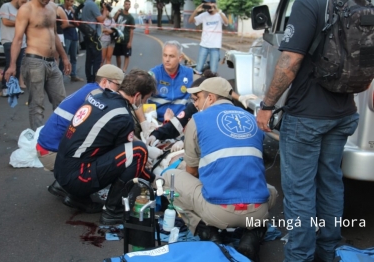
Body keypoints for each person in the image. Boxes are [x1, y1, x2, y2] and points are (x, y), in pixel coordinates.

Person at [256, 1, 359, 261]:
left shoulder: (308, 3)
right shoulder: (359, 3)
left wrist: (267, 105)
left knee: (300, 192)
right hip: (344, 111)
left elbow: (290, 60)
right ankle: (328, 252)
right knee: (330, 185)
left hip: (306, 117)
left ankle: (299, 256)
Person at [159, 77, 277, 261]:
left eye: (197, 98)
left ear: (211, 98)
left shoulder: (197, 120)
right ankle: (252, 235)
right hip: (257, 210)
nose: (196, 104)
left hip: (219, 212)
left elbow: (192, 172)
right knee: (272, 191)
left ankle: (207, 233)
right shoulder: (252, 119)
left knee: (169, 178)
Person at [54, 69, 157, 224]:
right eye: (144, 100)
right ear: (137, 96)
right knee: (138, 151)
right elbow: (125, 159)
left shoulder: (98, 96)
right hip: (76, 178)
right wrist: (153, 178)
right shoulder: (123, 116)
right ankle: (112, 211)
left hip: (61, 169)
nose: (142, 104)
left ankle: (77, 197)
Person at [37, 64, 124, 175]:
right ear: (105, 82)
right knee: (106, 152)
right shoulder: (96, 95)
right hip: (51, 152)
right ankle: (68, 182)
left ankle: (66, 179)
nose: (119, 90)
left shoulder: (90, 88)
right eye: (118, 86)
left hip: (46, 149)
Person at [4, 0, 71, 131]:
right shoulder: (26, 9)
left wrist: (64, 57)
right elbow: (17, 39)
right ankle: (37, 141)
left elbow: (54, 34)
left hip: (52, 62)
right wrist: (12, 65)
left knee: (62, 102)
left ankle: (60, 137)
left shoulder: (52, 7)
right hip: (34, 62)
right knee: (37, 105)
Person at [146, 40, 194, 124]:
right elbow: (145, 100)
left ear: (180, 58)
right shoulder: (153, 74)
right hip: (158, 122)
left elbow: (194, 100)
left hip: (182, 122)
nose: (167, 59)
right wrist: (152, 121)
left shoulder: (189, 74)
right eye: (165, 55)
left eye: (171, 56)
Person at [188, 0, 228, 74]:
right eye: (206, 4)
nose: (207, 6)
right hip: (204, 45)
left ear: (214, 4)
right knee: (198, 69)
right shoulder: (204, 15)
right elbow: (190, 21)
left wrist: (218, 10)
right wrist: (196, 11)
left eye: (209, 4)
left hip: (215, 46)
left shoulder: (220, 14)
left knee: (213, 71)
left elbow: (226, 22)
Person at [0, 0, 28, 97]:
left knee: (18, 66)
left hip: (21, 42)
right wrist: (21, 22)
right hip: (8, 40)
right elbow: (5, 21)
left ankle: (14, 87)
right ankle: (5, 87)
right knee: (9, 64)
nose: (25, 2)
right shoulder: (6, 6)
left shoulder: (22, 9)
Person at [81, 0, 109, 83]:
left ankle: (89, 79)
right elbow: (101, 19)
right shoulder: (92, 4)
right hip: (92, 35)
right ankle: (95, 79)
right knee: (97, 59)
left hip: (86, 34)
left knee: (89, 58)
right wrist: (104, 9)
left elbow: (93, 17)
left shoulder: (86, 3)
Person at [61, 0, 83, 82]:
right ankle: (61, 76)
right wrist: (72, 25)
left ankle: (73, 75)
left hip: (74, 36)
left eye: (73, 2)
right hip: (65, 36)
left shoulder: (73, 10)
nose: (72, 3)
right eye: (71, 1)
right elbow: (63, 24)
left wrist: (74, 13)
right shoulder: (61, 9)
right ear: (66, 1)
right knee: (64, 57)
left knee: (74, 57)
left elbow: (77, 23)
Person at [113, 0, 135, 73]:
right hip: (118, 38)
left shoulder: (131, 18)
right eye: (126, 4)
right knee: (117, 55)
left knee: (126, 55)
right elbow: (113, 20)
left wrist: (130, 42)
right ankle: (119, 69)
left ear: (130, 6)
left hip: (126, 39)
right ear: (124, 5)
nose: (127, 5)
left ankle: (124, 70)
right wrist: (117, 13)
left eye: (129, 4)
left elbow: (132, 31)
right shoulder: (119, 13)